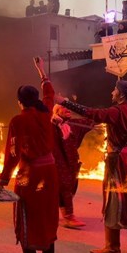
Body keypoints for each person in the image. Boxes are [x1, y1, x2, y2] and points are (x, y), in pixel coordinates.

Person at [56, 80, 127, 253]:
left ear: (122, 94)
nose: (112, 92)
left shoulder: (117, 111)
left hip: (118, 163)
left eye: (115, 90)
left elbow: (91, 113)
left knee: (113, 202)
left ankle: (112, 247)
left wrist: (64, 101)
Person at [0, 83, 59, 253]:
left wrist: (2, 180)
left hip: (30, 175)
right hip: (50, 172)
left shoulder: (18, 120)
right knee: (47, 214)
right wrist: (42, 75)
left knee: (26, 216)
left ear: (19, 101)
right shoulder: (45, 112)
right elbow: (49, 94)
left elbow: (13, 154)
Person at [34, 57, 94, 229]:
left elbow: (93, 118)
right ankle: (68, 216)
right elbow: (48, 94)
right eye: (63, 106)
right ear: (55, 109)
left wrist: (71, 104)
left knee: (66, 189)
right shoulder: (48, 123)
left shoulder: (75, 126)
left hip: (70, 166)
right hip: (53, 165)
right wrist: (41, 71)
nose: (66, 109)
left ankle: (63, 215)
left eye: (68, 107)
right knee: (57, 189)